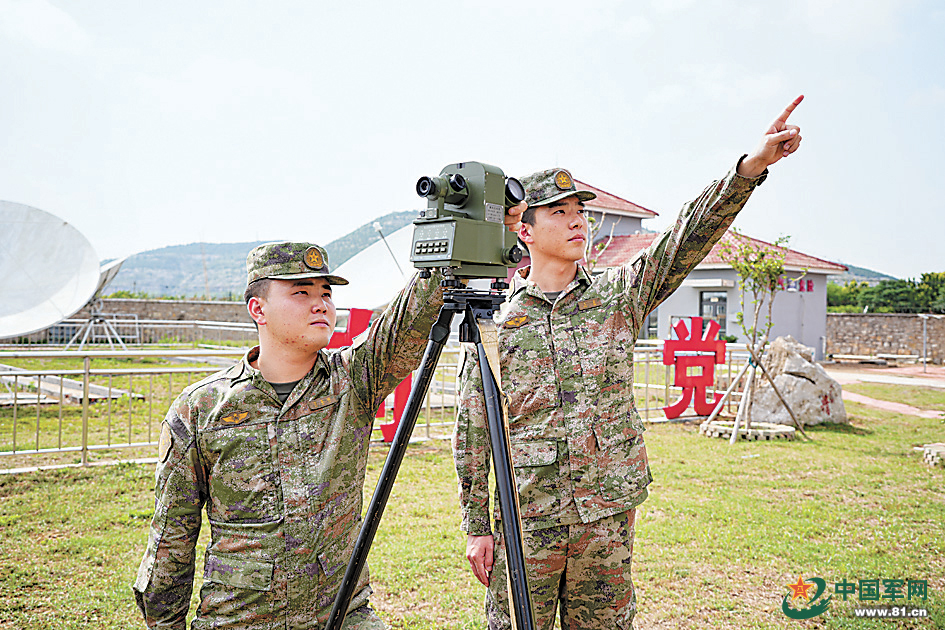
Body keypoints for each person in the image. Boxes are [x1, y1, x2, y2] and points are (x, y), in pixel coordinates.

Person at [453, 95, 805, 629]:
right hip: (526, 517)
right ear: (524, 230)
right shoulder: (496, 321)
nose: (577, 222)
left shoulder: (619, 296)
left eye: (580, 212)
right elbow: (474, 424)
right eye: (559, 212)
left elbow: (685, 238)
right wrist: (479, 523)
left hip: (606, 514)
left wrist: (748, 169)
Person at [132, 240, 450, 629]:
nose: (321, 305)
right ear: (258, 309)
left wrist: (455, 246)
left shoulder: (354, 381)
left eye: (326, 294)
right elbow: (172, 536)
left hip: (341, 616)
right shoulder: (201, 409)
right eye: (301, 292)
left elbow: (411, 318)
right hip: (240, 621)